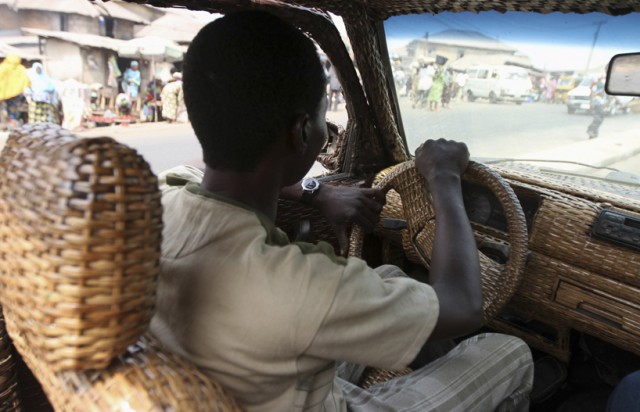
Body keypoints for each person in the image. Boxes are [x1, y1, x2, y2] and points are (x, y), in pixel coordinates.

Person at [150, 11, 533, 412]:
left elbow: (209, 167)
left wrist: (315, 193)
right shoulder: (302, 283)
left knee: (387, 275)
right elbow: (463, 304)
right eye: (322, 120)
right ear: (301, 133)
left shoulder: (160, 199)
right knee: (508, 349)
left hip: (233, 385)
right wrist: (444, 179)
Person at [0, 54, 30, 130]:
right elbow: (27, 82)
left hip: (2, 94)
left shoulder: (3, 67)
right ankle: (14, 127)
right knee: (13, 110)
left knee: (2, 109)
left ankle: (3, 125)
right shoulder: (21, 68)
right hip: (16, 94)